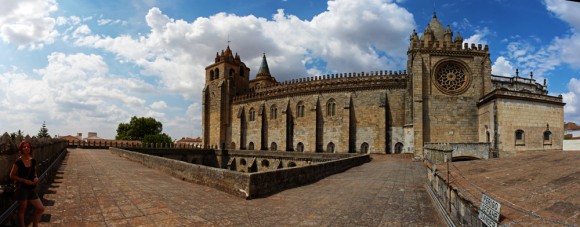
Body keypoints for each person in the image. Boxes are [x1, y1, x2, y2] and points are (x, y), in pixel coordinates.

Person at [9, 141, 45, 227]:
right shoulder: (18, 162)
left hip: (31, 188)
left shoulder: (33, 160)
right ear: (21, 149)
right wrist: (24, 180)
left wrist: (36, 177)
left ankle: (35, 225)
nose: (26, 148)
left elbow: (34, 172)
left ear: (30, 149)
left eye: (28, 147)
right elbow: (11, 175)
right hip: (22, 189)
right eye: (24, 147)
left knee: (41, 208)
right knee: (22, 210)